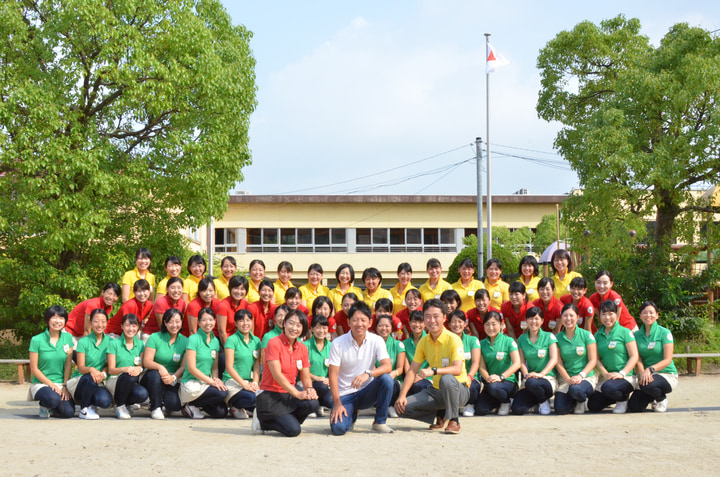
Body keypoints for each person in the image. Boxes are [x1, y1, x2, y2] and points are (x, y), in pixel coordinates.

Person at [395, 299, 470, 434]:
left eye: (436, 316)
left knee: (446, 379)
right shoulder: (424, 341)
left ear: (444, 318)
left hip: (459, 390)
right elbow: (412, 370)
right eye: (427, 317)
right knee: (400, 408)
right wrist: (402, 395)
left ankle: (454, 420)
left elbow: (457, 369)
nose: (432, 320)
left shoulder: (453, 339)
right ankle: (439, 414)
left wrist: (433, 371)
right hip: (436, 392)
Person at [328, 302, 395, 435]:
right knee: (338, 429)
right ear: (348, 322)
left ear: (370, 322)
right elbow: (333, 376)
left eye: (363, 320)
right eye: (355, 320)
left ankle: (379, 422)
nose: (359, 324)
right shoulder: (338, 343)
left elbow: (387, 366)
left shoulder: (376, 340)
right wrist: (337, 403)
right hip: (344, 395)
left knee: (386, 379)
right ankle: (352, 414)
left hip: (366, 391)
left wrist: (368, 373)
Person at [253, 310, 319, 437]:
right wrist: (297, 393)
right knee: (294, 431)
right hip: (270, 394)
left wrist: (310, 389)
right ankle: (262, 421)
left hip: (288, 393)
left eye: (299, 325)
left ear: (303, 328)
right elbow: (276, 374)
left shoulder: (303, 348)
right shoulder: (273, 342)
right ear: (284, 324)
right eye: (291, 323)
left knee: (313, 403)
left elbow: (305, 375)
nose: (294, 328)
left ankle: (286, 420)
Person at [587, 300, 638, 414]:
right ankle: (615, 397)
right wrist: (605, 374)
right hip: (608, 377)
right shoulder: (597, 335)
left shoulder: (625, 332)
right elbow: (597, 359)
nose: (607, 318)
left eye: (611, 314)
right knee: (593, 405)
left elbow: (634, 356)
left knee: (609, 388)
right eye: (603, 314)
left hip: (626, 376)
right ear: (599, 316)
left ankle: (622, 399)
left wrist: (622, 373)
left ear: (616, 314)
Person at [629, 301, 678, 413]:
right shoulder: (636, 335)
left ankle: (661, 399)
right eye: (645, 313)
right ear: (640, 315)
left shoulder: (664, 333)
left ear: (657, 315)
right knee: (634, 407)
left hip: (666, 374)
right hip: (646, 376)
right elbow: (638, 357)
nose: (648, 315)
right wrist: (641, 372)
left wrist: (650, 369)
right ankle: (652, 397)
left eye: (651, 312)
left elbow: (667, 359)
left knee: (648, 384)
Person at [179, 307, 228, 418]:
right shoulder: (193, 339)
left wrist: (216, 379)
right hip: (192, 383)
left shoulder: (215, 341)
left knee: (222, 412)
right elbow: (191, 368)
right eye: (204, 320)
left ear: (215, 321)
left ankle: (196, 405)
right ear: (199, 322)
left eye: (211, 320)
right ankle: (190, 404)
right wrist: (211, 382)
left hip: (205, 384)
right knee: (222, 393)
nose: (208, 323)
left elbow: (214, 367)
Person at [29, 305, 75, 418]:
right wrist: (50, 384)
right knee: (52, 399)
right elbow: (34, 368)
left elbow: (68, 364)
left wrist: (65, 385)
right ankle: (44, 405)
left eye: (61, 318)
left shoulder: (68, 338)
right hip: (41, 384)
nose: (57, 321)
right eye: (54, 318)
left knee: (68, 412)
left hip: (60, 384)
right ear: (47, 320)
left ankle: (53, 408)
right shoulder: (37, 340)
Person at [141, 308, 188, 419]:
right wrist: (160, 367)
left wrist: (174, 377)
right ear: (165, 323)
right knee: (155, 375)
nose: (174, 325)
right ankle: (155, 407)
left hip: (172, 379)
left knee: (174, 405)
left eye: (177, 321)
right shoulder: (155, 337)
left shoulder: (185, 341)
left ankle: (162, 400)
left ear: (181, 322)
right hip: (153, 376)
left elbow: (183, 366)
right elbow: (146, 361)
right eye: (170, 322)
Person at [511, 307, 558, 415]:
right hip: (531, 379)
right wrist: (526, 375)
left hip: (548, 378)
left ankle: (543, 401)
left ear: (542, 321)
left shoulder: (549, 337)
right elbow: (522, 362)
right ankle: (537, 402)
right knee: (517, 409)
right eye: (530, 318)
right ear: (526, 320)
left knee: (533, 383)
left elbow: (554, 359)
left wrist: (541, 374)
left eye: (537, 319)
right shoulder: (522, 339)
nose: (533, 322)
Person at [68, 308, 113, 420]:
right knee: (90, 377)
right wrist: (92, 369)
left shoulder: (111, 342)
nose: (99, 325)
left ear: (107, 323)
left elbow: (109, 364)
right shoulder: (83, 342)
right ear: (90, 323)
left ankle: (90, 404)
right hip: (82, 380)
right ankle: (84, 409)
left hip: (99, 380)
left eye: (103, 321)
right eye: (96, 321)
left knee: (105, 401)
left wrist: (103, 372)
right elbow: (81, 367)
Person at [554, 303, 597, 415]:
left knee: (576, 390)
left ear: (578, 318)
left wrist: (580, 376)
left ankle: (582, 400)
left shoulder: (586, 335)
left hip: (586, 378)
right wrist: (568, 379)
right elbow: (558, 363)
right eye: (565, 315)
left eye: (572, 316)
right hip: (566, 379)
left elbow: (593, 360)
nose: (568, 319)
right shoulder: (557, 338)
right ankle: (573, 400)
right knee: (560, 409)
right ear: (561, 317)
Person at [475, 311, 520, 416]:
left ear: (501, 325)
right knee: (480, 410)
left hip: (508, 381)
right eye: (487, 324)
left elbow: (517, 363)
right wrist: (488, 379)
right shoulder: (481, 344)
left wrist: (501, 377)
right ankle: (498, 401)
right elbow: (481, 367)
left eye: (494, 324)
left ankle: (506, 402)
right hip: (491, 383)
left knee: (494, 387)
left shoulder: (509, 341)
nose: (490, 327)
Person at [106, 313, 148, 419]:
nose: (131, 329)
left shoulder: (140, 344)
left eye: (134, 326)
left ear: (138, 327)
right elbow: (110, 370)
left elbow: (142, 365)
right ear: (122, 326)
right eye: (127, 325)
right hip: (115, 380)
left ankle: (126, 404)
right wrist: (124, 369)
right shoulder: (114, 344)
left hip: (131, 380)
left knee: (142, 394)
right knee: (129, 375)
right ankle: (120, 405)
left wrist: (139, 368)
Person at [223, 309, 261, 419]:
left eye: (248, 320)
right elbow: (229, 367)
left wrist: (255, 382)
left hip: (248, 381)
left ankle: (244, 407)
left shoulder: (256, 341)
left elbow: (257, 365)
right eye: (241, 320)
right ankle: (234, 406)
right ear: (235, 323)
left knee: (261, 396)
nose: (245, 323)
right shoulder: (231, 340)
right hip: (233, 381)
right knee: (252, 398)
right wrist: (244, 385)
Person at [446, 310, 481, 418]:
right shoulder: (445, 341)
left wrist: (470, 376)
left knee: (472, 387)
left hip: (469, 377)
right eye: (453, 322)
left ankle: (469, 405)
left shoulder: (472, 340)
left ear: (465, 323)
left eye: (460, 321)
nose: (457, 324)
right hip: (452, 377)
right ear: (449, 324)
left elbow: (476, 362)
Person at [374, 313, 406, 418]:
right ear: (376, 327)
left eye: (387, 326)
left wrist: (393, 374)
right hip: (376, 378)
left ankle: (390, 406)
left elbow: (400, 369)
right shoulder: (371, 344)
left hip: (394, 379)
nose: (384, 328)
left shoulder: (398, 345)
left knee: (389, 381)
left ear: (392, 328)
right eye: (380, 325)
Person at [307, 314, 333, 416]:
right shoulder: (305, 346)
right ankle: (313, 405)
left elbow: (336, 368)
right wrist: (316, 378)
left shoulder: (332, 346)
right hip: (309, 383)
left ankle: (318, 404)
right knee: (321, 386)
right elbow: (301, 370)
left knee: (331, 401)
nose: (321, 331)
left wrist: (330, 379)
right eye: (317, 327)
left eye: (324, 327)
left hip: (326, 385)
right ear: (312, 329)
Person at [402, 310, 433, 396]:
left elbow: (435, 361)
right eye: (414, 322)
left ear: (425, 324)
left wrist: (422, 375)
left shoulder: (431, 340)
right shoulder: (404, 343)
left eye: (420, 322)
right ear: (409, 323)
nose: (417, 325)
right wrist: (413, 377)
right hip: (411, 378)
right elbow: (407, 366)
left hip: (428, 378)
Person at [217, 275, 249, 345]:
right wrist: (228, 348)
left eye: (242, 289)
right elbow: (222, 331)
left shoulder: (246, 304)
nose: (239, 292)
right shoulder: (223, 305)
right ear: (230, 288)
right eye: (236, 288)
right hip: (224, 341)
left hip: (240, 340)